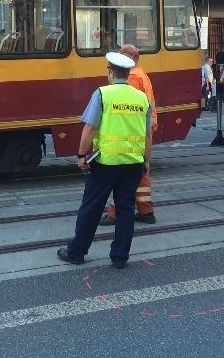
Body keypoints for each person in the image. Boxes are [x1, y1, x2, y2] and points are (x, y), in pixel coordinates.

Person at [57, 52, 152, 269]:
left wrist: (82, 155)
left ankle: (77, 252)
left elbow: (90, 127)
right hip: (133, 163)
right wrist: (146, 160)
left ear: (110, 72)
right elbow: (148, 135)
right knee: (126, 209)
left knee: (91, 207)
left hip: (106, 163)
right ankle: (120, 257)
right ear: (128, 74)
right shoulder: (141, 98)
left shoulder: (102, 94)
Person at [101, 44, 158, 226]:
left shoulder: (132, 76)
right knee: (141, 173)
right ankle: (146, 211)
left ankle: (114, 213)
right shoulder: (142, 73)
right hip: (144, 129)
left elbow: (125, 103)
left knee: (122, 174)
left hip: (133, 130)